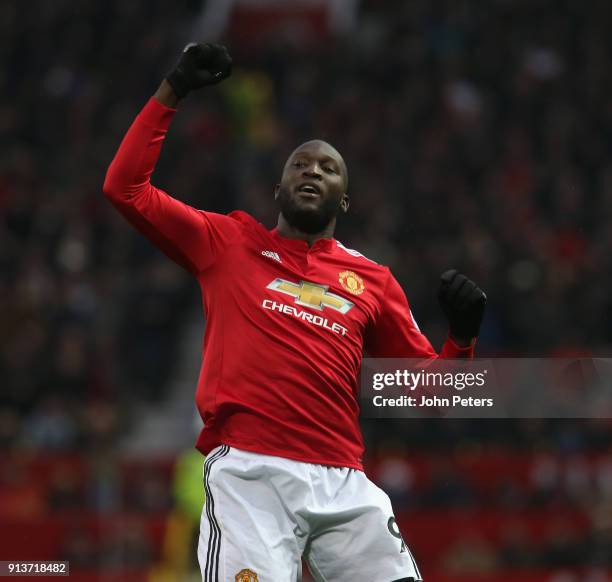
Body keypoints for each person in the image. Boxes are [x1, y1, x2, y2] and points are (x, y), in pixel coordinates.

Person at [103, 43, 487, 582]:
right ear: (277, 189)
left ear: (344, 199)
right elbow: (125, 189)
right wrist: (173, 90)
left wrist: (462, 339)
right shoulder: (229, 242)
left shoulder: (373, 280)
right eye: (300, 165)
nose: (312, 172)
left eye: (328, 168)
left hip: (343, 482)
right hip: (250, 474)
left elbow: (434, 397)